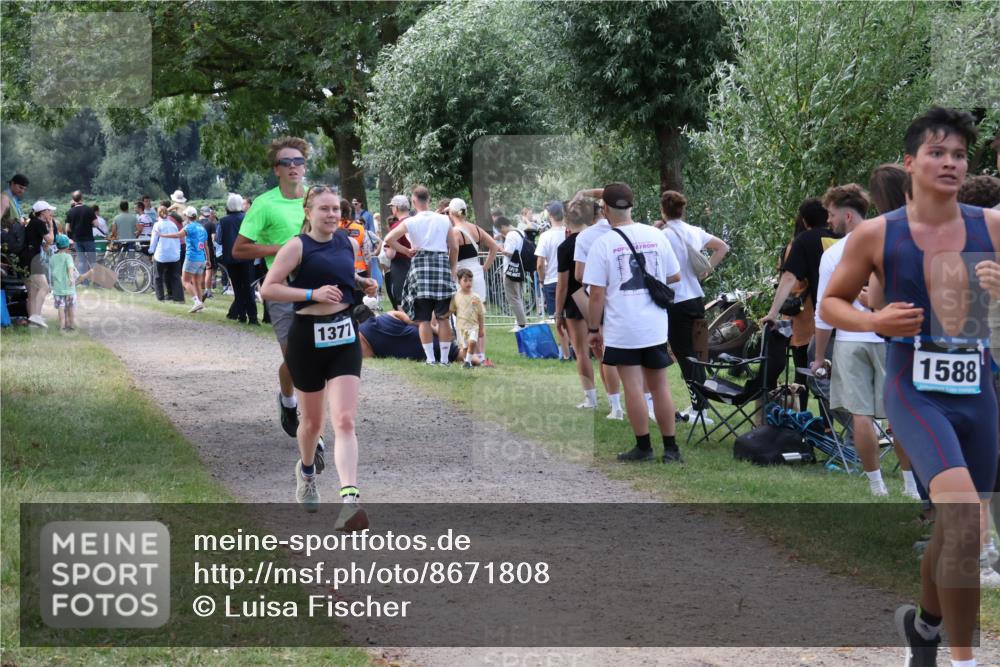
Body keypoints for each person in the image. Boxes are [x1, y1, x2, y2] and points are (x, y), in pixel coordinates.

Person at [820, 106, 1000, 667]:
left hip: (979, 391)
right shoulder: (879, 233)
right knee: (967, 521)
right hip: (914, 389)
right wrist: (874, 322)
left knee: (956, 526)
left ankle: (923, 629)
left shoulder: (991, 227)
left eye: (959, 155)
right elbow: (831, 303)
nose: (950, 163)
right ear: (911, 162)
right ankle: (966, 661)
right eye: (937, 153)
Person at [259, 185, 376, 530]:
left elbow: (338, 275)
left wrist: (360, 281)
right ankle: (307, 471)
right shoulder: (296, 246)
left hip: (343, 336)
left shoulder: (347, 242)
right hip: (307, 338)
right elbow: (269, 288)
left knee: (345, 421)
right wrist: (312, 293)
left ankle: (350, 501)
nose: (331, 215)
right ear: (308, 212)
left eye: (335, 209)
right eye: (324, 209)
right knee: (312, 425)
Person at [811, 183, 919, 498]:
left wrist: (819, 356)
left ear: (847, 215)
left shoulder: (833, 254)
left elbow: (823, 311)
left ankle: (876, 484)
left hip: (850, 338)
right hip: (891, 338)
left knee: (861, 413)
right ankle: (911, 484)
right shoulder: (892, 243)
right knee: (898, 413)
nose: (828, 222)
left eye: (831, 215)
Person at [582, 182, 682, 463]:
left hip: (623, 326)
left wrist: (592, 329)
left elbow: (597, 293)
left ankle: (644, 447)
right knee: (660, 386)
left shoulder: (604, 244)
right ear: (632, 206)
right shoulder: (656, 235)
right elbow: (675, 276)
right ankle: (671, 449)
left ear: (605, 209)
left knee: (633, 387)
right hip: (655, 324)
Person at [232, 136, 318, 444]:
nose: (293, 167)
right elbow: (239, 250)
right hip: (282, 287)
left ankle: (312, 429)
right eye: (286, 162)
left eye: (298, 162)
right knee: (297, 359)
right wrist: (279, 248)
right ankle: (287, 399)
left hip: (317, 287)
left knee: (316, 358)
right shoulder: (265, 204)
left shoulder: (315, 198)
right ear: (276, 170)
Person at [659, 190, 730, 424]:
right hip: (696, 298)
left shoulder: (663, 235)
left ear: (663, 210)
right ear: (682, 210)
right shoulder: (694, 231)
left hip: (676, 300)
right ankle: (699, 405)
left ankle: (699, 408)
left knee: (684, 354)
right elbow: (723, 247)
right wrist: (706, 269)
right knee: (696, 353)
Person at [382, 185, 458, 366]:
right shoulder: (444, 220)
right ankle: (445, 359)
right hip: (441, 266)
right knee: (443, 316)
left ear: (413, 201)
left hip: (420, 269)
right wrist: (452, 269)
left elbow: (389, 239)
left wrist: (407, 251)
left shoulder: (411, 222)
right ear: (429, 199)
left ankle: (431, 359)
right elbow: (454, 247)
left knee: (423, 318)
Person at [573, 192, 624, 420]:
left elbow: (580, 274)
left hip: (600, 297)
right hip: (627, 297)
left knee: (604, 353)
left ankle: (616, 405)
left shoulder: (584, 237)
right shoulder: (621, 230)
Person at [556, 198, 598, 408]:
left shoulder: (565, 246)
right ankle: (616, 401)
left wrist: (557, 313)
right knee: (604, 351)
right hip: (599, 298)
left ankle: (590, 399)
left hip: (575, 300)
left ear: (565, 219)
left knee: (582, 351)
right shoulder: (597, 238)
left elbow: (562, 285)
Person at [448, 197, 498, 365]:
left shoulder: (456, 231)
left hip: (462, 272)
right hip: (476, 271)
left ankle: (469, 354)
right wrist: (485, 267)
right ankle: (481, 355)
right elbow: (494, 246)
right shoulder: (475, 228)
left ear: (452, 212)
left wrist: (452, 270)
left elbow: (454, 252)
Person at [354, 306, 459, 362]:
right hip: (422, 337)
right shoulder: (390, 314)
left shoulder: (361, 334)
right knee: (457, 354)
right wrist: (438, 332)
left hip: (409, 354)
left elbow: (369, 356)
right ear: (372, 313)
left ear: (358, 322)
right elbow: (417, 321)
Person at [535, 201, 571, 358]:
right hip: (570, 280)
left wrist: (542, 281)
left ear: (550, 216)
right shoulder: (569, 233)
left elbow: (540, 264)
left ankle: (565, 353)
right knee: (570, 318)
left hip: (552, 281)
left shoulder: (545, 236)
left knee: (559, 319)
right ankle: (576, 349)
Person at [157, 207, 209, 312]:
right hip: (202, 258)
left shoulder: (189, 227)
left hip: (192, 258)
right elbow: (205, 245)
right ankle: (200, 306)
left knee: (185, 281)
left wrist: (163, 235)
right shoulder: (202, 227)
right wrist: (208, 259)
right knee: (196, 282)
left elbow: (178, 235)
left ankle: (197, 302)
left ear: (187, 216)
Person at [219, 193, 257, 324]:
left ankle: (241, 315)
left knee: (237, 288)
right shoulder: (247, 218)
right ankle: (253, 317)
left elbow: (218, 239)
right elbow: (254, 236)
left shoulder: (223, 221)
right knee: (248, 287)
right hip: (247, 258)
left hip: (231, 258)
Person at [23, 200, 56, 328]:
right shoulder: (39, 223)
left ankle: (32, 322)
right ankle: (36, 316)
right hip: (33, 259)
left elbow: (46, 246)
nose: (51, 213)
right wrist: (51, 227)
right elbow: (51, 240)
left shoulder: (32, 223)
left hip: (24, 259)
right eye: (49, 210)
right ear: (43, 212)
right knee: (45, 287)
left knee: (32, 292)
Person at [451, 267, 486, 367]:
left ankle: (468, 362)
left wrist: (481, 328)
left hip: (473, 326)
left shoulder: (476, 297)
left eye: (470, 280)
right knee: (464, 348)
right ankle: (468, 361)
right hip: (461, 327)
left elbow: (480, 313)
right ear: (459, 281)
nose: (468, 283)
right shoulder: (455, 297)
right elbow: (452, 310)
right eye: (465, 280)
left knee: (472, 342)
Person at [497, 217, 528, 331]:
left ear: (503, 226)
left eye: (500, 230)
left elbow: (509, 252)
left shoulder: (510, 235)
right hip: (519, 269)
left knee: (513, 298)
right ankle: (520, 322)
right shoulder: (520, 232)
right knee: (518, 297)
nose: (501, 233)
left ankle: (522, 324)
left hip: (511, 270)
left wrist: (500, 248)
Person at [149, 211, 184, 302]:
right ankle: (178, 297)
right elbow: (177, 239)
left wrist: (151, 251)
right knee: (175, 276)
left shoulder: (157, 225)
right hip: (174, 255)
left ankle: (160, 297)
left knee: (158, 276)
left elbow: (154, 240)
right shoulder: (173, 224)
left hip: (161, 254)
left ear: (158, 214)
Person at [384, 194, 412, 310]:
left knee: (401, 302)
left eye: (392, 207)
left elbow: (391, 254)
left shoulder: (397, 226)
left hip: (401, 267)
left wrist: (385, 249)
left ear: (396, 208)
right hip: (417, 264)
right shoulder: (416, 221)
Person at [49, 234, 82, 331]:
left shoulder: (53, 258)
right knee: (70, 307)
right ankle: (71, 325)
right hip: (68, 287)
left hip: (58, 288)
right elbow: (70, 268)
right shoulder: (68, 257)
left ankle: (62, 326)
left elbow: (51, 271)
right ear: (68, 246)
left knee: (61, 307)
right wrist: (71, 278)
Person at [64, 191, 99, 282]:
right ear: (82, 198)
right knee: (93, 261)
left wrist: (74, 230)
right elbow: (96, 224)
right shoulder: (89, 210)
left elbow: (67, 228)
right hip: (88, 239)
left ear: (73, 199)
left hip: (77, 240)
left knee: (82, 261)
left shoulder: (70, 212)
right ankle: (96, 282)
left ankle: (84, 282)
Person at [199, 205, 219, 300]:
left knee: (200, 271)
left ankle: (201, 291)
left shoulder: (197, 223)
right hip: (208, 249)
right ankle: (208, 291)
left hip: (198, 249)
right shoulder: (211, 224)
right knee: (208, 270)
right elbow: (213, 238)